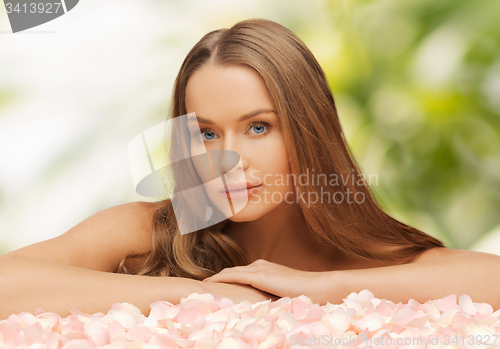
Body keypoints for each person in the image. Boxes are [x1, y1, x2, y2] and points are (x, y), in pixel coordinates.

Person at [1, 18, 499, 320]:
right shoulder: (147, 231)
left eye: (259, 128)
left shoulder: (365, 263)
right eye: (207, 134)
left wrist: (321, 289)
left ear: (308, 131)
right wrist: (197, 298)